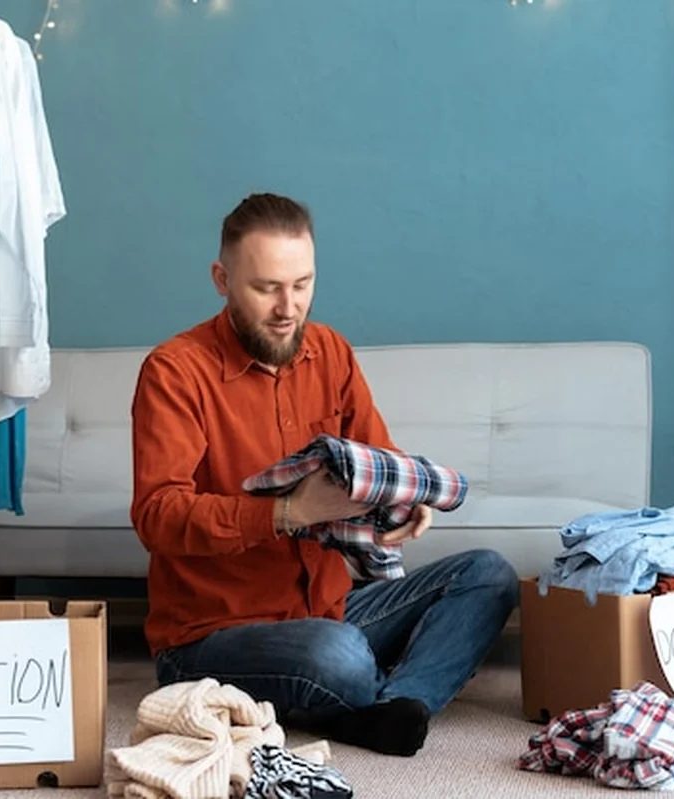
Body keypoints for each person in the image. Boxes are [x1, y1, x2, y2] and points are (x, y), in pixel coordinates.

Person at [129, 192, 520, 757]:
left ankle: (392, 705)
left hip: (328, 611)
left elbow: (380, 460)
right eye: (266, 288)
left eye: (302, 284)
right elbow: (158, 516)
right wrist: (287, 513)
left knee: (489, 575)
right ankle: (375, 694)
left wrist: (408, 505)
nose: (288, 307)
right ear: (222, 278)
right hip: (211, 637)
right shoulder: (175, 371)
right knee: (337, 657)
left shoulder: (330, 351)